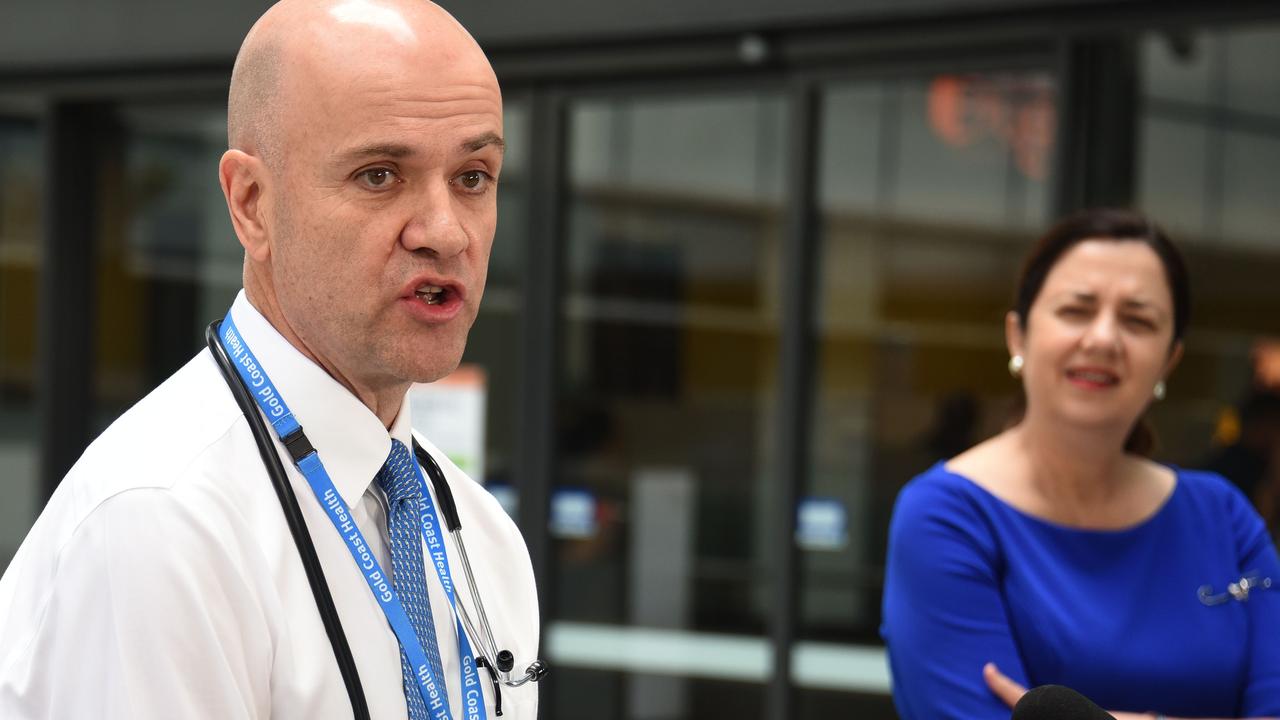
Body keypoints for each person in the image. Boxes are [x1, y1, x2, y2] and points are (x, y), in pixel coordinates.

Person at [0, 1, 540, 718]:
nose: (446, 232)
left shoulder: (480, 534)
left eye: (473, 176)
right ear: (252, 204)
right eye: (380, 175)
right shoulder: (160, 524)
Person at [881, 208, 1280, 719]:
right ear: (1017, 336)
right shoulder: (945, 516)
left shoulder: (1225, 518)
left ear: (1169, 360)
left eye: (1138, 320)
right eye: (1076, 310)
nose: (1103, 339)